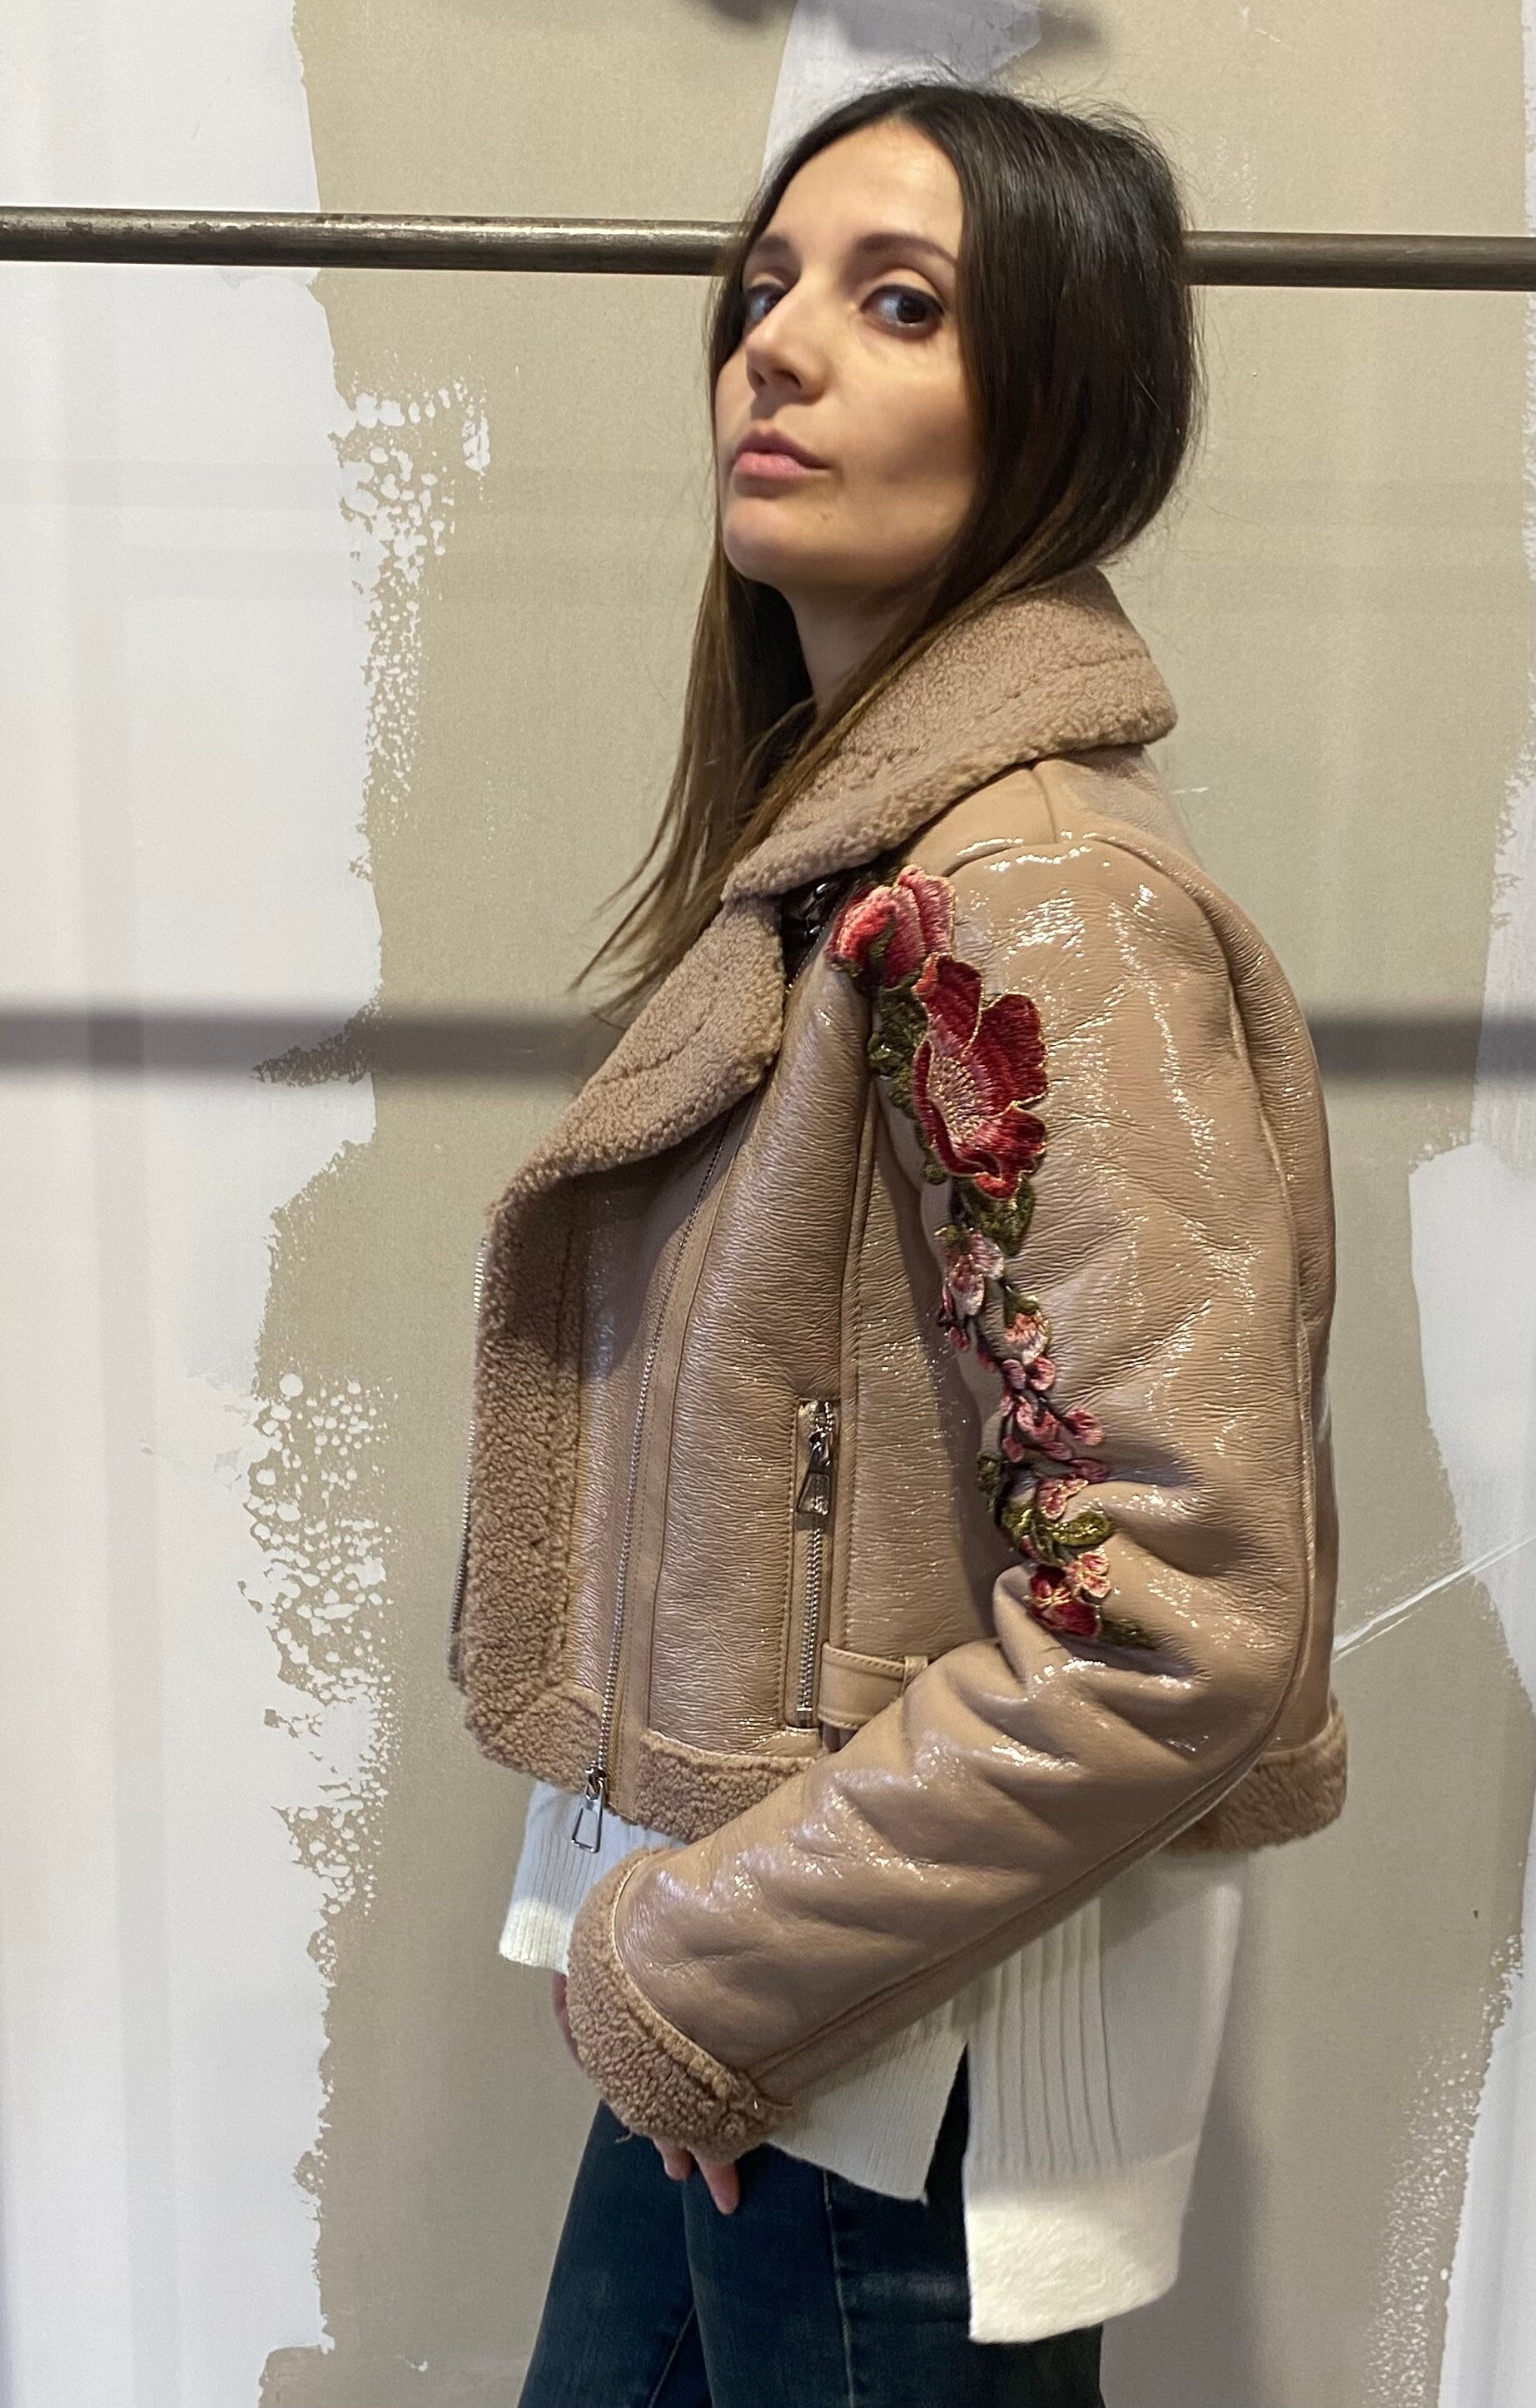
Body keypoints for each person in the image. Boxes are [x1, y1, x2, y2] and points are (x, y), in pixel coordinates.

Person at [447, 77, 1344, 2408]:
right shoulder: (859, 862)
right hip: (763, 2010)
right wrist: (684, 1955)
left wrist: (709, 1959)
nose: (777, 345)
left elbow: (1179, 1609)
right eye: (765, 288)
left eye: (901, 302)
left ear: (1063, 398)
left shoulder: (1031, 900)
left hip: (876, 2066)